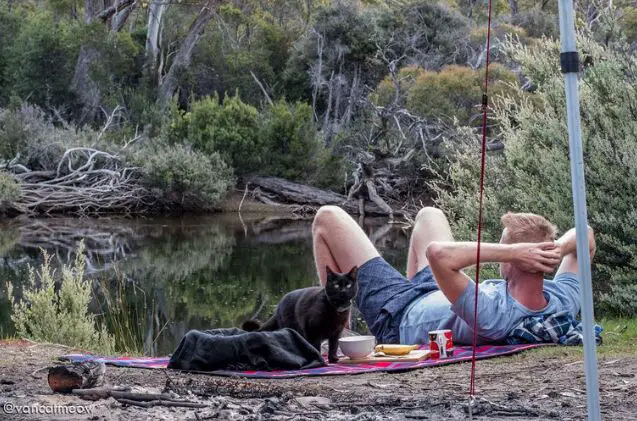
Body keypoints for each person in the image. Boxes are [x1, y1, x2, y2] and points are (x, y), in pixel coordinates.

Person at [311, 206, 596, 345]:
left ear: (514, 261)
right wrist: (556, 249)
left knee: (327, 217)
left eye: (505, 248)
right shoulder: (563, 299)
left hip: (399, 314)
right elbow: (587, 235)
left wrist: (511, 252)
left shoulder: (495, 314)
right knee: (429, 214)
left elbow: (437, 254)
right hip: (440, 289)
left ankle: (331, 330)